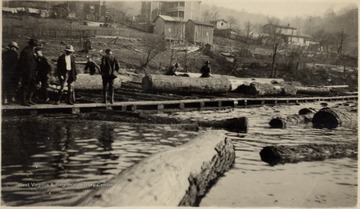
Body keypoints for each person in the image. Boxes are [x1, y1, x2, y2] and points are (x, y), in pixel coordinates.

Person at [17, 38, 41, 106]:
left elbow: (35, 61)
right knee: (25, 85)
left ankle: (29, 99)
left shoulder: (33, 51)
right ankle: (23, 100)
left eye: (35, 46)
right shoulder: (25, 51)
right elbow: (21, 62)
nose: (34, 46)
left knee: (33, 85)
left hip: (33, 71)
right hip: (26, 71)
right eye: (34, 45)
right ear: (31, 45)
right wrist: (21, 72)